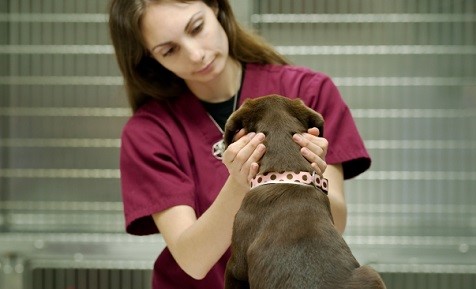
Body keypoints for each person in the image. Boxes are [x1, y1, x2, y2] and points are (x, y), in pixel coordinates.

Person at [108, 0, 371, 288]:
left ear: (215, 7)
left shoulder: (307, 94)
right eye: (169, 50)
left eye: (197, 27)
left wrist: (310, 178)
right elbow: (193, 261)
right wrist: (238, 184)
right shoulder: (149, 131)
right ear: (150, 59)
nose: (196, 55)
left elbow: (337, 225)